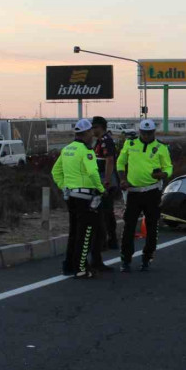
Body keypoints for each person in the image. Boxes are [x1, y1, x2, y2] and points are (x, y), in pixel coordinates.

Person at [51, 119, 106, 278]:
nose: (93, 136)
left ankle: (69, 265)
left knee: (74, 232)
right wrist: (101, 189)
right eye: (91, 133)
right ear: (87, 133)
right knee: (86, 232)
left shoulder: (67, 149)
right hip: (85, 197)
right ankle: (81, 268)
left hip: (72, 197)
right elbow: (93, 173)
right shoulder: (86, 151)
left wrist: (64, 187)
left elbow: (55, 172)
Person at [116, 119, 173, 272]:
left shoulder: (161, 147)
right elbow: (120, 163)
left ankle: (147, 258)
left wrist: (163, 174)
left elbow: (169, 167)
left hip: (152, 192)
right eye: (144, 133)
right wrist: (122, 179)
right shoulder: (130, 144)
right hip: (133, 193)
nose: (147, 136)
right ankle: (125, 260)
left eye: (150, 133)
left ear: (154, 132)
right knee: (129, 226)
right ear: (140, 132)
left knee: (152, 226)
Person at [91, 116, 120, 250]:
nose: (92, 129)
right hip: (100, 178)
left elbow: (109, 160)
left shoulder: (106, 141)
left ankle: (110, 240)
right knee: (102, 212)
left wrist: (106, 181)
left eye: (94, 127)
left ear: (100, 127)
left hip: (106, 180)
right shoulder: (99, 141)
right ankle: (106, 240)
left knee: (106, 212)